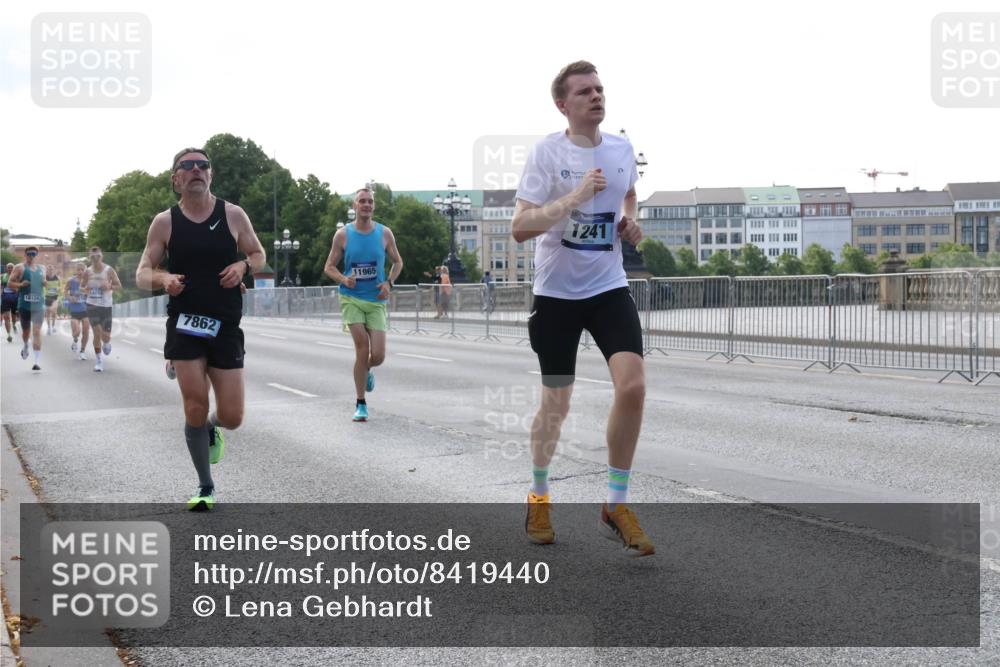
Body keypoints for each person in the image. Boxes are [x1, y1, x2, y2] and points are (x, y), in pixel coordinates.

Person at [511, 61, 653, 556]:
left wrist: (630, 223)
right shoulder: (547, 153)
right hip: (556, 296)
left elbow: (629, 195)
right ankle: (539, 493)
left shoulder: (619, 149)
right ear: (563, 105)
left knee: (633, 386)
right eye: (584, 91)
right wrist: (572, 197)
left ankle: (616, 504)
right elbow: (521, 226)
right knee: (557, 403)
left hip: (608, 287)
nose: (596, 96)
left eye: (599, 89)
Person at [136, 147, 265, 511]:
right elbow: (143, 272)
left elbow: (258, 254)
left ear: (211, 175)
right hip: (185, 323)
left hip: (225, 324)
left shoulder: (233, 215)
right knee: (194, 402)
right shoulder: (165, 222)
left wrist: (243, 267)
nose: (196, 170)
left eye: (202, 165)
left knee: (232, 416)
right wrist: (164, 278)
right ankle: (205, 486)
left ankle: (212, 426)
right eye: (187, 166)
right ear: (175, 178)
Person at [324, 187, 403, 422]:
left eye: (370, 201)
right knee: (362, 348)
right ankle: (360, 403)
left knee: (377, 355)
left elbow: (398, 262)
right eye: (362, 201)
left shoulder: (385, 233)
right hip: (352, 298)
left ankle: (366, 368)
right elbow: (329, 266)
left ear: (373, 206)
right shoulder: (343, 235)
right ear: (354, 206)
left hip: (376, 300)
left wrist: (389, 282)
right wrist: (343, 279)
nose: (366, 205)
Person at [81, 247, 121, 372]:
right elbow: (81, 287)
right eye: (92, 257)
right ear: (90, 258)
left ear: (101, 256)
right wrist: (86, 289)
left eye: (97, 256)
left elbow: (119, 286)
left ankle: (107, 343)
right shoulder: (87, 272)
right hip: (92, 305)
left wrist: (109, 286)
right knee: (97, 332)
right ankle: (99, 361)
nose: (95, 259)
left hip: (106, 306)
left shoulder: (109, 270)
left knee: (106, 337)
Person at [8, 247, 46, 371]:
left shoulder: (42, 268)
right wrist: (21, 284)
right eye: (29, 254)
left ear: (37, 255)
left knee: (36, 332)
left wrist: (45, 283)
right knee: (26, 332)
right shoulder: (20, 267)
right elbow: (10, 283)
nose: (31, 256)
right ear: (25, 255)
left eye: (34, 254)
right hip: (24, 305)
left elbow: (45, 282)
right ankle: (25, 344)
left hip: (38, 305)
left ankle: (36, 361)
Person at [64, 263, 90, 359]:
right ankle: (75, 340)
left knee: (86, 330)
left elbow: (92, 293)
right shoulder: (71, 281)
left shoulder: (89, 281)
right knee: (77, 331)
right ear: (76, 270)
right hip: (75, 309)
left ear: (85, 271)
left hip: (86, 309)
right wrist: (70, 297)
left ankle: (82, 351)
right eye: (78, 270)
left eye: (82, 270)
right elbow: (65, 291)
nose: (80, 272)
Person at [1, 262, 18, 342]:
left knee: (13, 316)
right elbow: (1, 287)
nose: (10, 269)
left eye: (11, 267)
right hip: (5, 298)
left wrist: (15, 289)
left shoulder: (17, 277)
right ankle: (9, 335)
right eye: (8, 267)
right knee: (6, 317)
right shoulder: (3, 276)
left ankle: (14, 324)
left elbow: (20, 287)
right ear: (6, 268)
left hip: (14, 298)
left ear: (14, 268)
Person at [44, 264, 61, 335]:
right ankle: (48, 328)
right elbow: (42, 286)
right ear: (46, 271)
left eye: (51, 269)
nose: (50, 271)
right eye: (48, 269)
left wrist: (58, 288)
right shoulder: (45, 278)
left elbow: (61, 287)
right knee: (48, 313)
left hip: (55, 297)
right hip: (47, 297)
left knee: (54, 313)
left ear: (53, 270)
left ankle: (53, 326)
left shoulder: (58, 278)